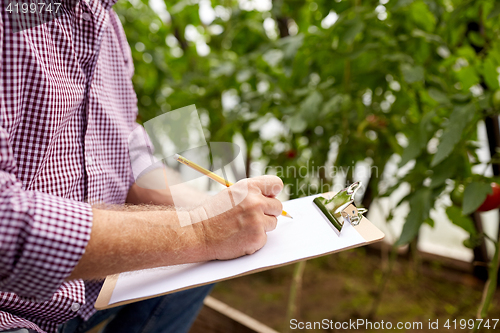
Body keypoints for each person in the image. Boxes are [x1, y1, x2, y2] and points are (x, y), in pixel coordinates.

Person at [0, 1, 284, 332]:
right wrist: (202, 230)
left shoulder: (104, 19)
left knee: (210, 260)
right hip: (14, 311)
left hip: (95, 288)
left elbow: (130, 153)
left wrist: (211, 210)